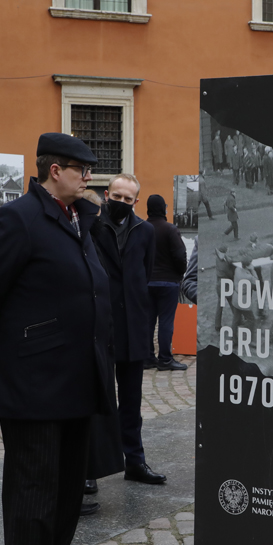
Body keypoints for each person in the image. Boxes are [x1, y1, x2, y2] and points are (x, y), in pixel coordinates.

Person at [0, 132, 112, 545]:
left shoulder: (78, 220)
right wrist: (4, 352)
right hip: (34, 379)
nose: (88, 176)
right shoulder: (18, 218)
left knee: (69, 484)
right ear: (55, 171)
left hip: (76, 376)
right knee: (33, 486)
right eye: (81, 169)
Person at [90, 174, 167, 487]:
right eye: (117, 196)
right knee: (97, 401)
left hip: (133, 328)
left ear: (137, 200)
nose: (121, 203)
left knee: (132, 401)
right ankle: (90, 469)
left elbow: (144, 274)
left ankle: (134, 461)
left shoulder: (145, 230)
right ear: (107, 194)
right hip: (100, 327)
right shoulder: (92, 227)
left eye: (127, 199)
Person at [145, 195, 188, 371]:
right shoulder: (170, 229)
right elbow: (180, 256)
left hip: (147, 282)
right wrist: (179, 273)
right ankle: (165, 359)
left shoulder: (142, 228)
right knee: (166, 322)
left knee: (147, 321)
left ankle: (147, 358)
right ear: (163, 208)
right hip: (168, 282)